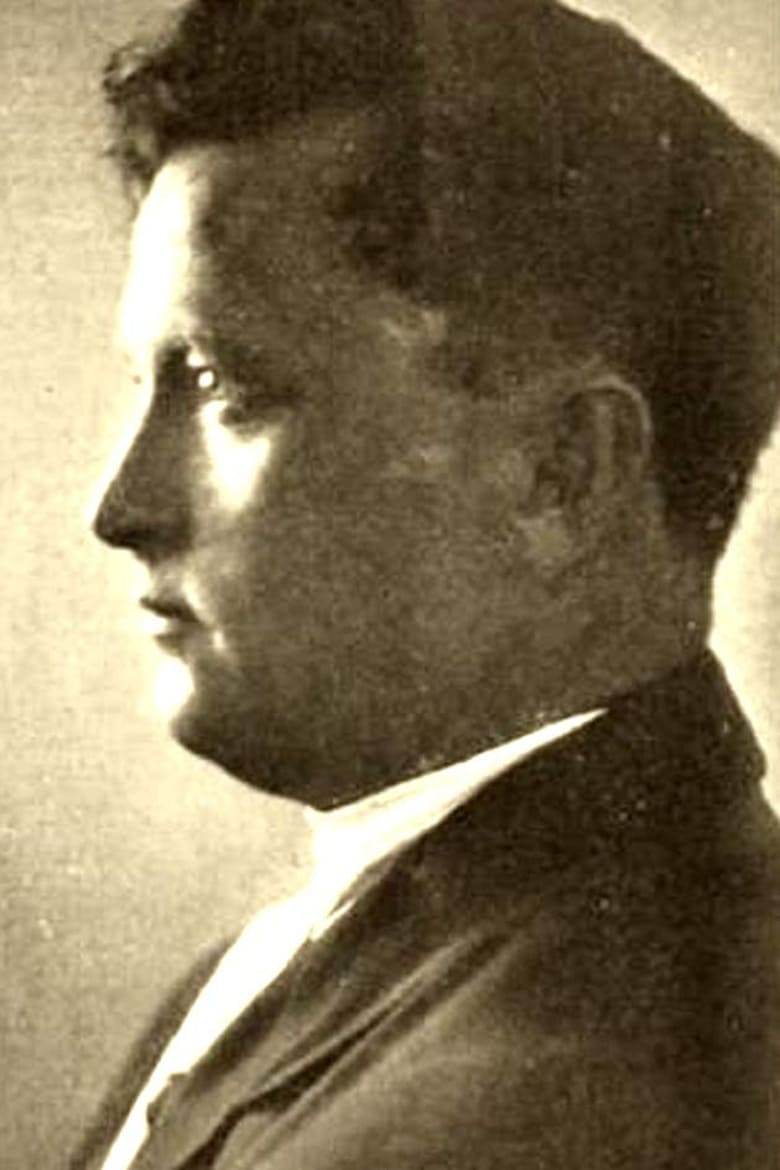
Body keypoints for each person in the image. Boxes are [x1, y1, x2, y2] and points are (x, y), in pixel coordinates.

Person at [72, 1, 780, 1167]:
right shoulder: (313, 958)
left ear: (560, 475)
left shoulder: (578, 1095)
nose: (119, 508)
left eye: (224, 387)